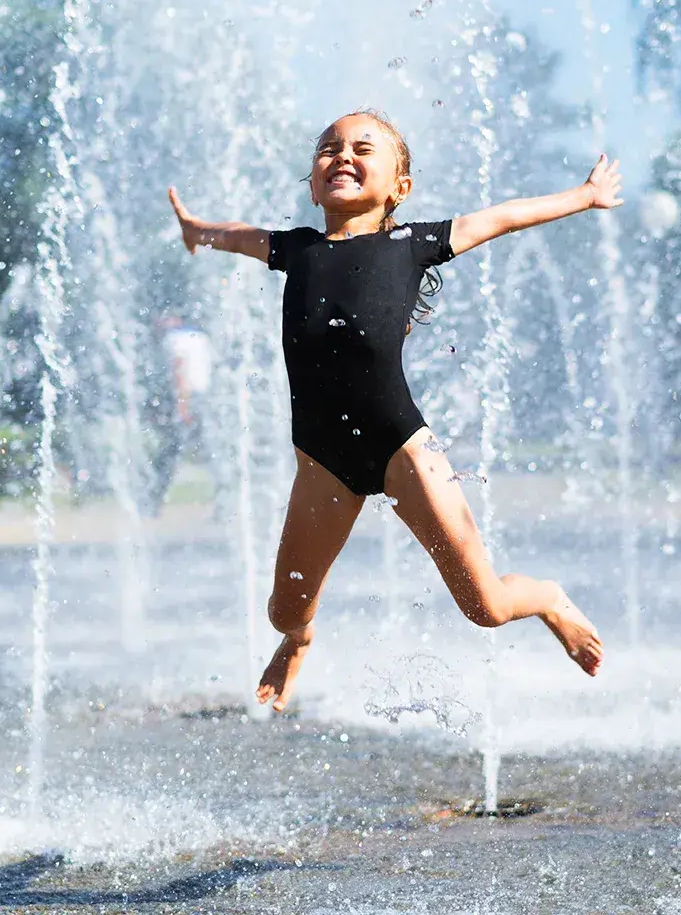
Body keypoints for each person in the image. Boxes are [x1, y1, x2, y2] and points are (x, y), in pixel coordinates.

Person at [167, 111, 618, 711]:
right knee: (283, 612)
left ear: (399, 186)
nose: (342, 156)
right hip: (322, 459)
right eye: (329, 148)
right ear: (312, 181)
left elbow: (504, 217)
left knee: (486, 607)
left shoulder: (414, 244)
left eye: (362, 148)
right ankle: (300, 641)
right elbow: (239, 235)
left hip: (402, 446)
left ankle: (549, 599)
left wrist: (585, 197)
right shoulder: (295, 249)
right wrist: (200, 232)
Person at [143, 314, 213, 517]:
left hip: (187, 398)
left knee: (170, 451)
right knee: (210, 451)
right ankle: (226, 501)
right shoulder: (200, 336)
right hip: (202, 397)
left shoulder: (174, 339)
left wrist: (182, 405)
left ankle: (153, 500)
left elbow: (179, 370)